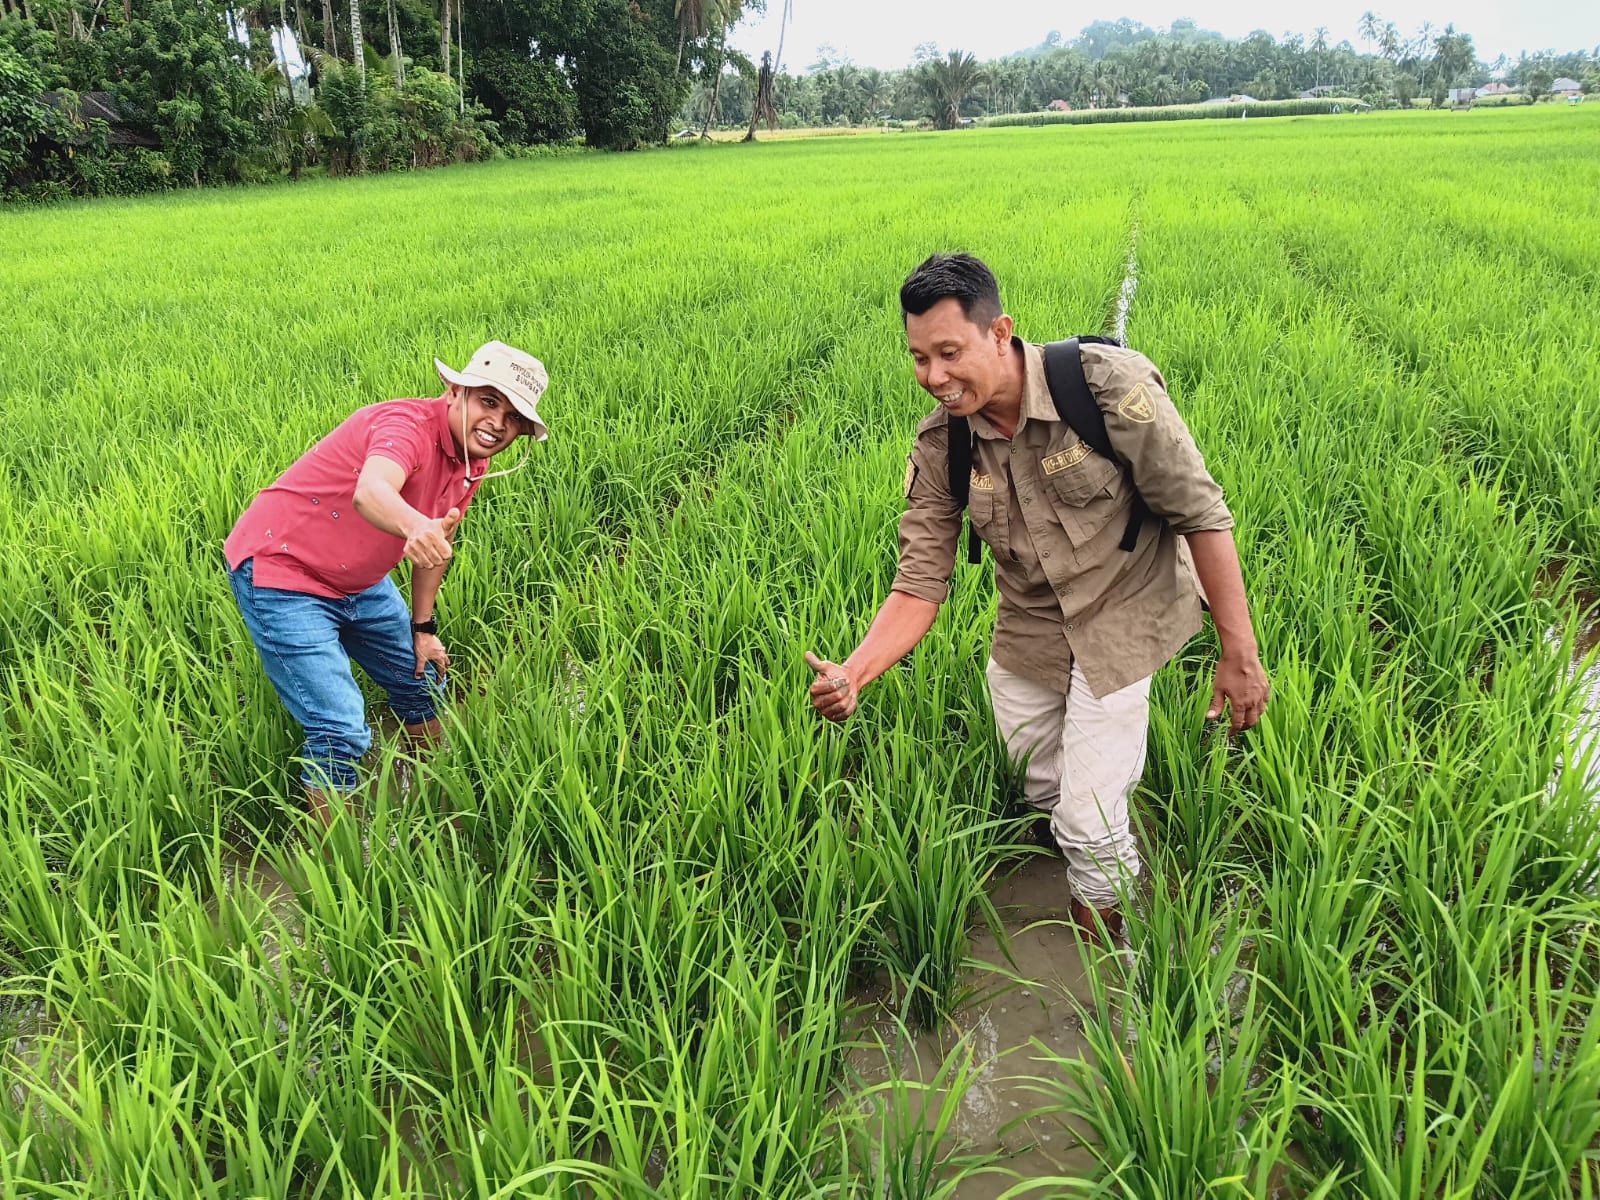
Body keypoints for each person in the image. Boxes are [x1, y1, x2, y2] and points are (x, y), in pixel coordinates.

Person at [805, 254, 1268, 945]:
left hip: (1126, 606)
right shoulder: (943, 444)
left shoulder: (1105, 389)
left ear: (1000, 333)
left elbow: (1200, 512)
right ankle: (1099, 841)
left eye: (949, 353)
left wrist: (1240, 651)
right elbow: (920, 581)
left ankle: (1110, 949)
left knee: (1088, 820)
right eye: (919, 358)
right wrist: (854, 671)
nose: (933, 376)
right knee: (1037, 781)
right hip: (1030, 620)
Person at [225, 341, 549, 825]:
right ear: (455, 391)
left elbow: (438, 542)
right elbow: (372, 491)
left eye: (514, 417)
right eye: (488, 401)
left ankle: (443, 808)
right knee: (339, 730)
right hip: (283, 574)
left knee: (422, 683)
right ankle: (338, 862)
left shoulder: (471, 461)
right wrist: (415, 526)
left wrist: (424, 628)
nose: (498, 423)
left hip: (359, 580)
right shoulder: (406, 427)